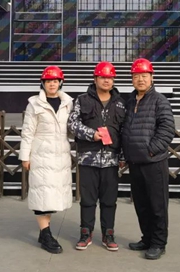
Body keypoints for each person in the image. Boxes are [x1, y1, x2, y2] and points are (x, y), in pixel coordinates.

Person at [68, 61, 126, 252]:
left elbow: (124, 131)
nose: (106, 80)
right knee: (88, 200)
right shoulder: (82, 100)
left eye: (110, 77)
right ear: (95, 79)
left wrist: (123, 156)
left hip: (111, 160)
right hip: (88, 158)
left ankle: (108, 234)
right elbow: (72, 124)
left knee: (109, 200)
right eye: (102, 77)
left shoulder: (121, 103)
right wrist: (91, 134)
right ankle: (86, 233)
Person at [121, 58, 175, 260]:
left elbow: (167, 129)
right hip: (135, 162)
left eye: (144, 76)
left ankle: (159, 243)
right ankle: (147, 238)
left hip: (154, 162)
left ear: (152, 77)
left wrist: (151, 151)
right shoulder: (129, 101)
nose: (140, 79)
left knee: (157, 205)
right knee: (141, 204)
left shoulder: (160, 101)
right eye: (136, 76)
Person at [19, 65, 74, 254]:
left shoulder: (68, 103)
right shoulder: (34, 104)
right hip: (41, 155)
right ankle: (46, 234)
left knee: (51, 196)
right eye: (48, 81)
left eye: (55, 81)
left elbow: (72, 128)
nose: (52, 84)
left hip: (61, 155)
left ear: (60, 82)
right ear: (42, 83)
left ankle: (45, 232)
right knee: (42, 194)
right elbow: (28, 132)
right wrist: (25, 156)